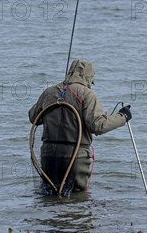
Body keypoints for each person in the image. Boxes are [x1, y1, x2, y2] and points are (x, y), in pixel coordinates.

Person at [28, 58, 132, 195]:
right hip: (76, 157)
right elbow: (98, 126)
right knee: (77, 198)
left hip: (48, 155)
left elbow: (33, 117)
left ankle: (51, 216)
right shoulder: (87, 94)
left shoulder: (49, 92)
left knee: (49, 195)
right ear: (88, 77)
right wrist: (122, 117)